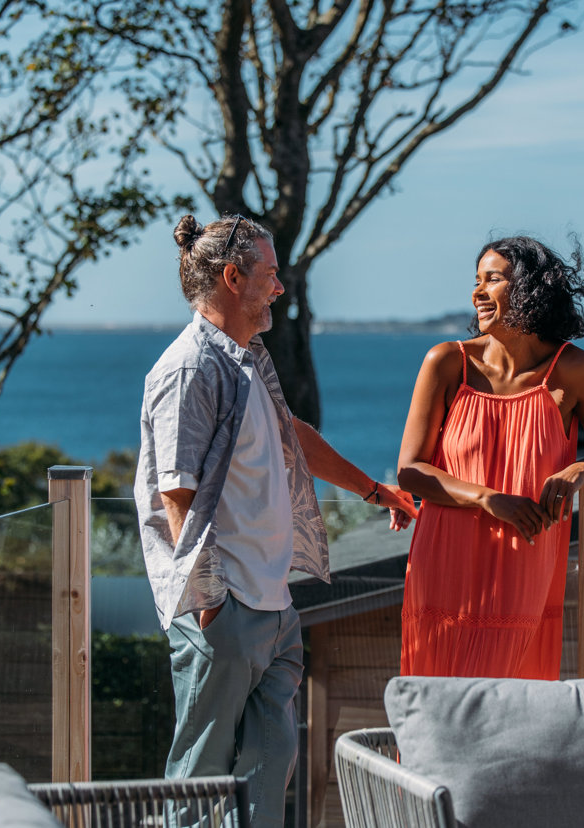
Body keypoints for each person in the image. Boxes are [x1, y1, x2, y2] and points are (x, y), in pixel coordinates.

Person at [134, 213, 417, 827]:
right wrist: (210, 599)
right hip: (225, 607)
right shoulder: (189, 370)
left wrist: (374, 491)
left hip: (272, 603)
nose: (280, 288)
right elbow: (175, 492)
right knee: (199, 782)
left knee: (270, 764)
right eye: (270, 275)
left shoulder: (244, 357)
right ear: (234, 278)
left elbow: (293, 435)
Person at [397, 235, 584, 680]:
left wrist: (582, 468)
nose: (477, 292)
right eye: (476, 281)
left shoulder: (576, 371)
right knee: (438, 704)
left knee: (509, 708)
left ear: (529, 289)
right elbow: (410, 472)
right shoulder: (447, 363)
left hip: (523, 564)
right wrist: (489, 498)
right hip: (443, 563)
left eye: (493, 279)